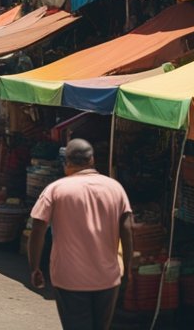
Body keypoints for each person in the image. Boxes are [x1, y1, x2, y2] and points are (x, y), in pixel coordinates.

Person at [28, 139, 133, 330]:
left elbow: (37, 229)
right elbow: (126, 230)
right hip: (107, 278)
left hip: (69, 279)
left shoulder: (56, 189)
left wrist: (35, 266)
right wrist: (128, 268)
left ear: (67, 163)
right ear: (92, 159)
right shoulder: (115, 188)